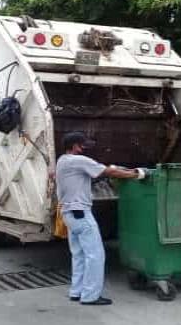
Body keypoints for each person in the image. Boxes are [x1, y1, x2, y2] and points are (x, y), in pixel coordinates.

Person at [55, 131, 144, 306]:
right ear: (75, 146)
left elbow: (94, 173)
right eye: (82, 145)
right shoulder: (78, 161)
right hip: (81, 214)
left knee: (79, 254)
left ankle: (77, 291)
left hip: (68, 214)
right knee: (96, 255)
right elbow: (109, 172)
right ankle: (90, 296)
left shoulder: (62, 161)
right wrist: (137, 174)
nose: (85, 148)